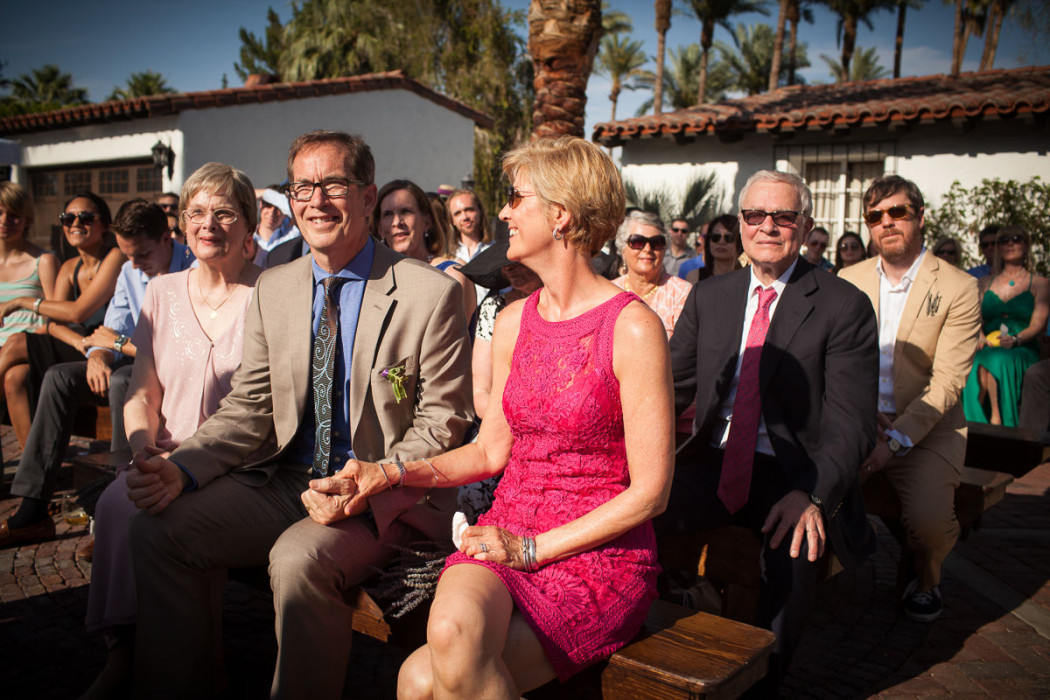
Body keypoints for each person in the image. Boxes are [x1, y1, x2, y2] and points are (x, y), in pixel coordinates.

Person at [125, 130, 473, 699]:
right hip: (286, 479)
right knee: (157, 531)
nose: (317, 200)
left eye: (333, 183)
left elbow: (443, 421)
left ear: (367, 195)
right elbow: (250, 404)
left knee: (296, 561)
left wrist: (372, 479)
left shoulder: (427, 293)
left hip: (384, 495)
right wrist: (182, 467)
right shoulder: (276, 288)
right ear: (290, 201)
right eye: (302, 187)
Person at [386, 135, 673, 698]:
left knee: (420, 680)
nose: (504, 212)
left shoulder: (632, 327)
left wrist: (535, 550)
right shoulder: (515, 320)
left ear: (561, 215)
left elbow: (652, 492)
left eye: (517, 198)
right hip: (503, 531)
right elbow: (490, 453)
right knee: (447, 631)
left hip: (597, 557)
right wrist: (391, 472)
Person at [660, 170, 878, 689]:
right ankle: (655, 656)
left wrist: (813, 494)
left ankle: (764, 682)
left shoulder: (843, 306)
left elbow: (853, 422)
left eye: (783, 216)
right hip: (712, 461)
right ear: (740, 224)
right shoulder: (710, 297)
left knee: (795, 551)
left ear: (803, 225)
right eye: (756, 215)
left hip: (793, 471)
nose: (768, 227)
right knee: (636, 512)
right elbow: (669, 388)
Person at [81, 163, 261, 699]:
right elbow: (141, 393)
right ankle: (125, 655)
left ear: (248, 224)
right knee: (116, 505)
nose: (210, 224)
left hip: (237, 461)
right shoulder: (160, 292)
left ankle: (197, 667)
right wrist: (140, 451)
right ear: (180, 223)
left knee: (175, 519)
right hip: (160, 455)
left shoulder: (270, 294)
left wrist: (184, 468)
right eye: (198, 212)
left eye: (225, 212)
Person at [0, 199, 194, 548]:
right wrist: (98, 355)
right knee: (59, 376)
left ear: (167, 239)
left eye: (142, 254)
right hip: (134, 357)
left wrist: (116, 343)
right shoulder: (130, 270)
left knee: (124, 380)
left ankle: (118, 505)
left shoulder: (193, 267)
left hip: (172, 370)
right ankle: (33, 507)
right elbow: (111, 327)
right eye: (126, 255)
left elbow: (181, 347)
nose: (134, 265)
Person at [840, 174, 981, 622]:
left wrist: (894, 441)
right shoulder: (849, 278)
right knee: (805, 493)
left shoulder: (958, 287)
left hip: (928, 428)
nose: (887, 222)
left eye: (898, 211)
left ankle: (926, 580)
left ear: (920, 216)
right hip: (858, 420)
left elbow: (947, 383)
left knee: (927, 526)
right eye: (875, 216)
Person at [0, 192, 124, 448]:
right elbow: (53, 324)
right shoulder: (69, 267)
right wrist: (81, 342)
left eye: (86, 218)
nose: (76, 224)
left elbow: (77, 311)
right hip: (82, 345)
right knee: (14, 377)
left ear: (105, 225)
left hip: (113, 349)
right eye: (68, 218)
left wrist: (22, 301)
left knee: (14, 342)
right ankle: (32, 461)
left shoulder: (115, 257)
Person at [961, 226, 1050, 426]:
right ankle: (974, 425)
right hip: (989, 344)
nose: (1010, 243)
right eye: (1003, 240)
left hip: (1022, 346)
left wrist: (1017, 339)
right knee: (971, 361)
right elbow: (974, 318)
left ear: (1026, 245)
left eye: (1017, 238)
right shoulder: (983, 282)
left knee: (999, 359)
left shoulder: (1040, 283)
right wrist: (981, 336)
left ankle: (999, 422)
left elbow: (1037, 323)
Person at [459, 239, 542, 419]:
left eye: (516, 261)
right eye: (505, 264)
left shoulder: (566, 307)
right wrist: (515, 421)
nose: (509, 268)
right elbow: (480, 390)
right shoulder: (494, 308)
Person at [375, 179, 476, 322]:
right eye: (388, 214)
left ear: (426, 222)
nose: (397, 222)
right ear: (380, 229)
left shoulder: (452, 275)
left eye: (406, 211)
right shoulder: (375, 279)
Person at [612, 211, 692, 338]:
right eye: (637, 242)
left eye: (656, 242)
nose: (647, 249)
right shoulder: (608, 292)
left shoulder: (682, 293)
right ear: (623, 249)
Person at [0, 182, 59, 346]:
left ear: (27, 220)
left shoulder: (43, 261)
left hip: (28, 345)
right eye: (0, 213)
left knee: (13, 374)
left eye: (14, 215)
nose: (5, 221)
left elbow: (57, 317)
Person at [685, 213, 742, 284]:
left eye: (729, 238)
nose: (721, 242)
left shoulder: (748, 278)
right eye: (715, 237)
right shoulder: (694, 277)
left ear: (739, 242)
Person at [253, 186, 301, 267]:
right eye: (268, 205)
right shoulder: (248, 237)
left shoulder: (292, 236)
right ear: (260, 205)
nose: (272, 213)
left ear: (285, 214)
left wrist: (264, 193)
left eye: (278, 208)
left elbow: (297, 213)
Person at [447, 188, 492, 262]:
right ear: (452, 221)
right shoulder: (448, 257)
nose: (465, 217)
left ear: (480, 211)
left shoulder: (495, 250)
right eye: (457, 213)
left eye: (469, 210)